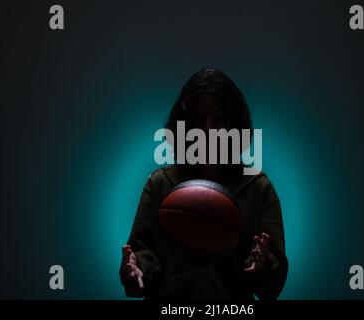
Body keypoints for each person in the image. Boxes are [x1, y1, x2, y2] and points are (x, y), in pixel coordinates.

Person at [119, 69, 288, 300]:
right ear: (185, 125)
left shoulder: (258, 188)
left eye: (217, 119)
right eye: (199, 119)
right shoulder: (160, 184)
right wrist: (137, 269)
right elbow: (144, 255)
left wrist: (263, 266)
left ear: (233, 125)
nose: (208, 128)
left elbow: (274, 281)